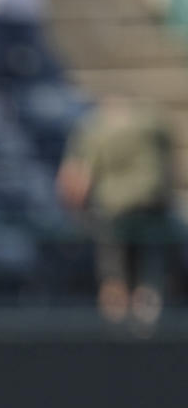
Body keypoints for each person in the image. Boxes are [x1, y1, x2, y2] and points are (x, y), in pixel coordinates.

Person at [57, 93, 176, 329]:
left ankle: (118, 333)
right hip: (152, 204)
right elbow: (168, 166)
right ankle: (147, 330)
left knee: (115, 278)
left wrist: (75, 212)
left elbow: (77, 178)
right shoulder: (152, 122)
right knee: (149, 276)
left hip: (115, 209)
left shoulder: (95, 128)